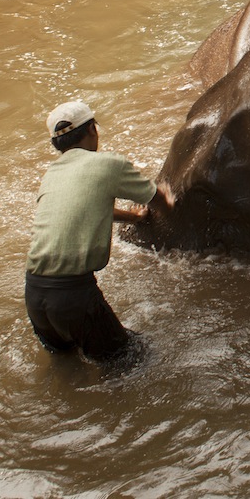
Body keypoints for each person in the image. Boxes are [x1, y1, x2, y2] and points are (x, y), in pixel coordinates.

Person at [24, 99, 158, 363]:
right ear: (92, 130)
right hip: (73, 295)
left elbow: (85, 208)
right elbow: (158, 198)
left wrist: (133, 218)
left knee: (66, 365)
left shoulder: (52, 173)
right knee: (132, 360)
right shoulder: (108, 164)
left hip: (34, 294)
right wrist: (172, 202)